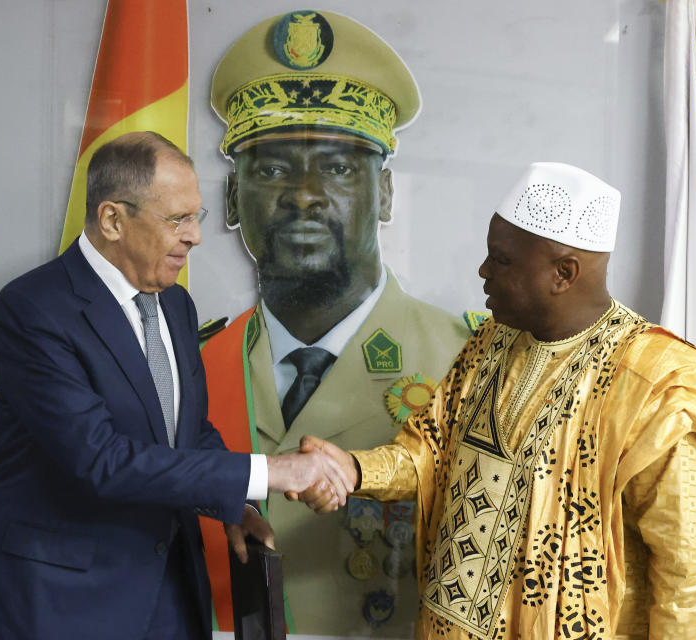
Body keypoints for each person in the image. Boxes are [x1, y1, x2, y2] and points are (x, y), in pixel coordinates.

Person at [298, 162, 696, 639]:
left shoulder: (660, 385)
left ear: (564, 273)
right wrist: (354, 470)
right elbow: (432, 451)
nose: (483, 271)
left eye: (502, 261)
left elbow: (691, 580)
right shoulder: (491, 342)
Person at [0, 131, 351, 640]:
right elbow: (101, 460)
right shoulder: (35, 311)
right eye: (178, 219)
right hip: (63, 606)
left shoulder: (174, 303)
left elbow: (187, 432)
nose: (194, 235)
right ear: (112, 220)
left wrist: (234, 507)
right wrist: (268, 472)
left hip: (170, 597)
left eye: (197, 217)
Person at [199, 9, 477, 636]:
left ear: (385, 194)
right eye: (270, 169)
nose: (303, 193)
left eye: (338, 166)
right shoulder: (193, 361)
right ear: (230, 200)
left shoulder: (467, 358)